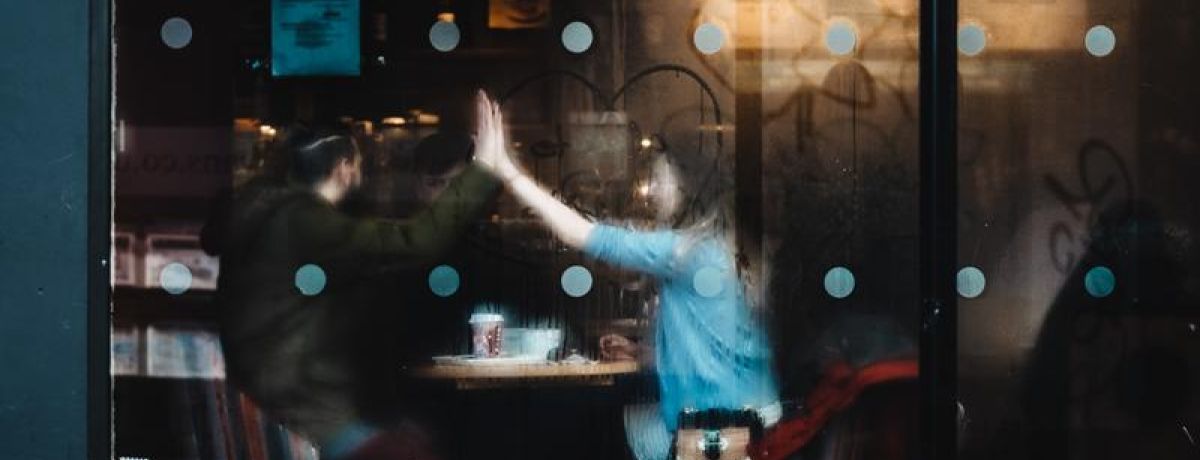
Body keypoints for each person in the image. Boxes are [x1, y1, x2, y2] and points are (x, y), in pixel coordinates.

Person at [473, 94, 781, 460]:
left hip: (718, 433)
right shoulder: (723, 247)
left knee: (580, 426)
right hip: (755, 419)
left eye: (661, 178)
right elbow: (718, 347)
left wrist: (506, 169)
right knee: (615, 421)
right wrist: (645, 353)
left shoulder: (684, 251)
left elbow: (582, 235)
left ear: (686, 186)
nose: (653, 190)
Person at [210, 114, 505, 460]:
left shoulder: (263, 209)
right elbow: (418, 241)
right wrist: (482, 168)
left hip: (271, 401)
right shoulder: (305, 222)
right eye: (360, 162)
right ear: (344, 166)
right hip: (307, 410)